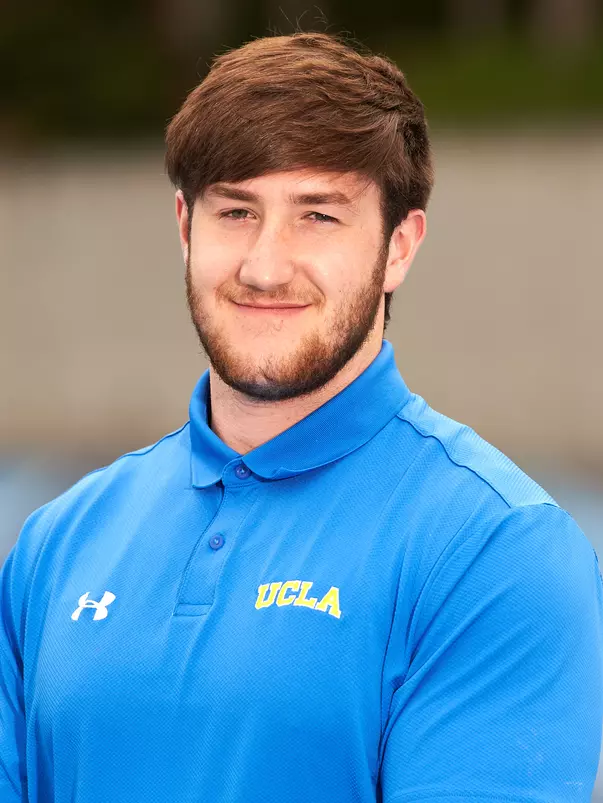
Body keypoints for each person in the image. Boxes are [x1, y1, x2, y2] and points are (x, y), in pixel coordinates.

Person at [1, 32, 601, 803]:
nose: (264, 265)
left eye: (317, 215)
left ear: (397, 247)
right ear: (184, 227)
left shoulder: (495, 551)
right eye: (236, 211)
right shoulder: (58, 541)